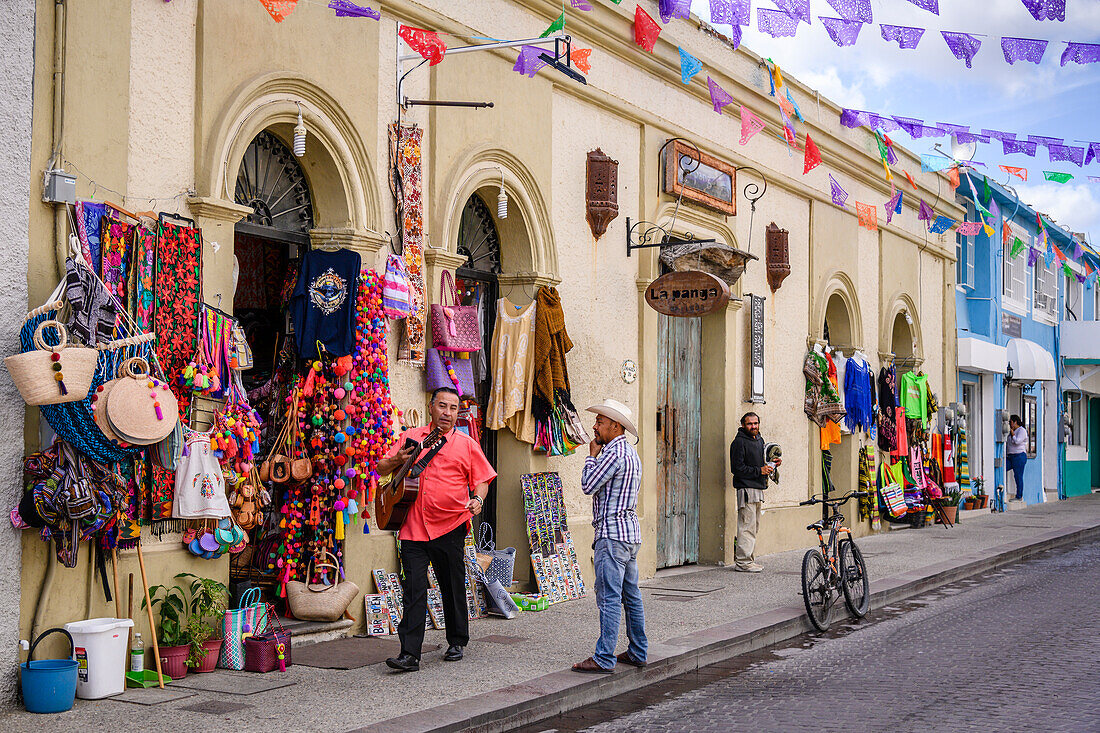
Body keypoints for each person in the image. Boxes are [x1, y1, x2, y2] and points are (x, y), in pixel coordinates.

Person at [378, 387, 497, 672]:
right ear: (431, 408)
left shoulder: (466, 443)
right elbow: (382, 467)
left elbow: (483, 478)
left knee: (452, 584)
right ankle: (409, 654)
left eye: (453, 408)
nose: (447, 412)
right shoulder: (410, 437)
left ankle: (457, 640)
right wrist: (397, 460)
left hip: (450, 524)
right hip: (412, 527)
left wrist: (478, 499)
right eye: (442, 406)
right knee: (414, 589)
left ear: (458, 413)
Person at [571, 398, 647, 674]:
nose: (595, 427)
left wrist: (591, 456)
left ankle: (604, 657)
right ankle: (638, 650)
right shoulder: (630, 453)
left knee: (609, 597)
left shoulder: (613, 454)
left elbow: (588, 485)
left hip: (612, 535)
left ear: (615, 426)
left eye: (600, 422)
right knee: (631, 595)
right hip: (629, 534)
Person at [729, 412, 781, 573]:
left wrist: (773, 464)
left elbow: (762, 464)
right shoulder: (738, 443)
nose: (754, 426)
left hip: (758, 487)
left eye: (756, 423)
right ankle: (743, 563)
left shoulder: (759, 440)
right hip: (746, 488)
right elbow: (737, 469)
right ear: (743, 425)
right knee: (746, 526)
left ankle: (749, 560)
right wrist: (760, 470)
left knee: (753, 526)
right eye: (750, 424)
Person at [1006, 414, 1028, 502]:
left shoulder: (1021, 430)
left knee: (1018, 476)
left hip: (1019, 456)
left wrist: (1012, 434)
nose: (1009, 424)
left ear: (1015, 422)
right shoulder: (1011, 432)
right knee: (1003, 468)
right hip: (1010, 456)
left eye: (1010, 422)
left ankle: (1019, 496)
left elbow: (1017, 441)